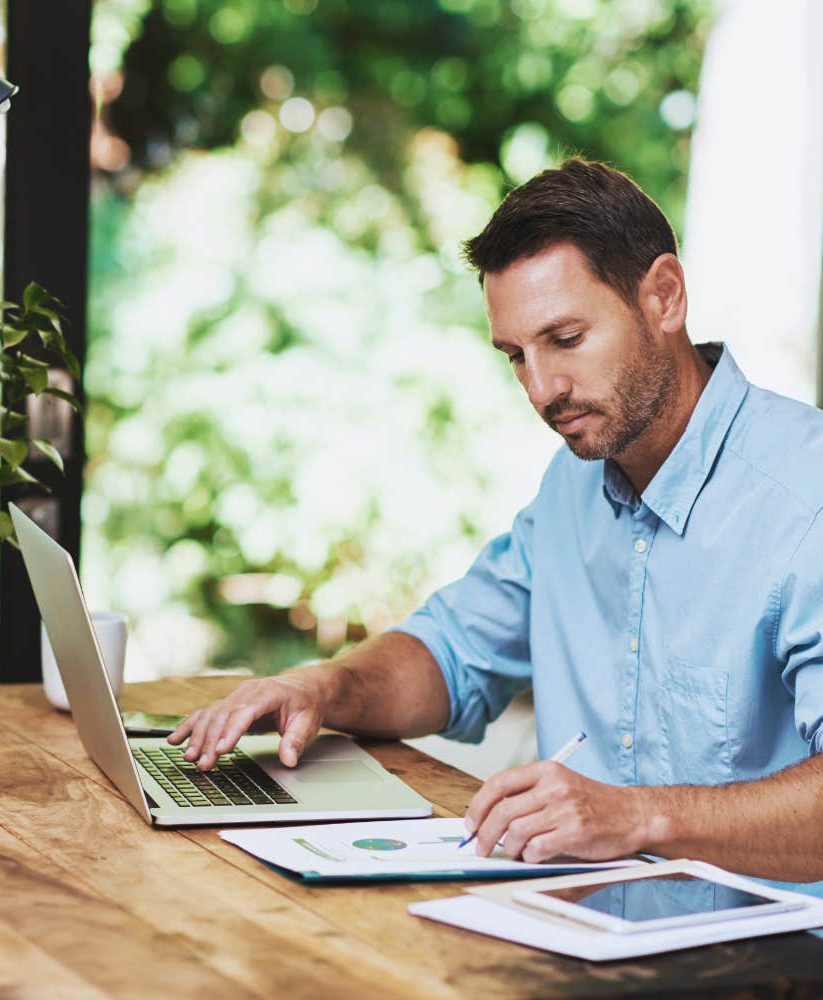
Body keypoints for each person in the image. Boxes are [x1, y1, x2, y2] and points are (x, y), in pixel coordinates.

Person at [169, 159, 823, 885]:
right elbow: (452, 653)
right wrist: (322, 689)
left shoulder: (805, 500)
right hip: (579, 924)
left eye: (566, 339)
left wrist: (638, 817)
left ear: (664, 297)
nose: (543, 390)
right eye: (516, 356)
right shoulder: (573, 486)